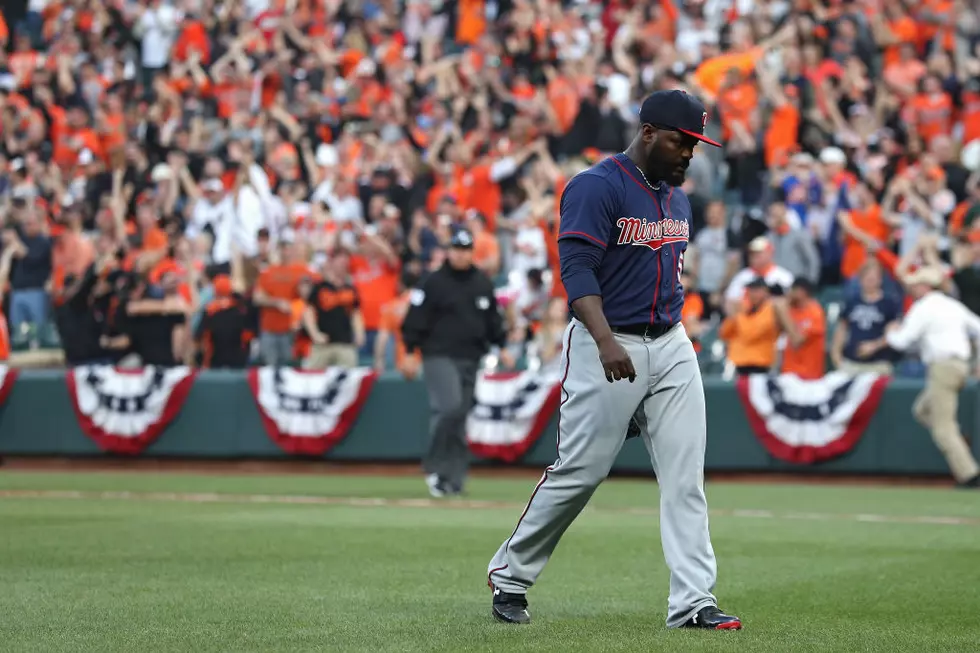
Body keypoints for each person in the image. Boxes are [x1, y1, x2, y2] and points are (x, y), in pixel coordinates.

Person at [487, 90, 741, 630]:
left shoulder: (678, 199)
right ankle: (510, 574)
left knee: (684, 477)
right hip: (607, 339)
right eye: (682, 140)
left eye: (696, 143)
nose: (690, 152)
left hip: (671, 344)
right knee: (580, 472)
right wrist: (605, 341)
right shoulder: (595, 186)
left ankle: (694, 602)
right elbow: (577, 270)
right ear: (649, 132)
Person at [401, 228, 506, 498]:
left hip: (471, 355)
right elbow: (414, 319)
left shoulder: (482, 283)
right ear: (449, 251)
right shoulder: (433, 282)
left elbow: (493, 320)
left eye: (465, 249)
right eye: (456, 249)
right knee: (449, 407)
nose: (460, 254)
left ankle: (453, 479)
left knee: (459, 416)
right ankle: (434, 466)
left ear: (472, 252)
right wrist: (411, 352)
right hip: (438, 354)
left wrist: (502, 345)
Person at [857, 267, 980, 488]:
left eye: (915, 284)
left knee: (943, 428)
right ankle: (957, 439)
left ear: (924, 286)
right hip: (960, 366)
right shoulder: (952, 304)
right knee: (922, 411)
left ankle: (970, 475)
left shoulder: (923, 308)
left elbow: (903, 340)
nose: (911, 288)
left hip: (943, 367)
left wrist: (890, 332)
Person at [830, 260, 901, 375]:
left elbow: (893, 333)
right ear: (861, 279)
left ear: (880, 280)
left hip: (878, 364)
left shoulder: (889, 303)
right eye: (867, 278)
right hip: (851, 363)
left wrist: (874, 345)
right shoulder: (852, 302)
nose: (870, 282)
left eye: (873, 278)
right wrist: (836, 355)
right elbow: (842, 329)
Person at [718, 278, 796, 375]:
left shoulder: (770, 309)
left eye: (756, 290)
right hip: (738, 363)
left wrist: (738, 316)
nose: (752, 293)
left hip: (760, 364)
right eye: (750, 290)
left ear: (766, 292)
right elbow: (724, 333)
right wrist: (733, 317)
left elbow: (751, 334)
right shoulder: (745, 309)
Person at [781, 279, 826, 380]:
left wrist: (783, 312)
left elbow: (797, 341)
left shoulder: (815, 312)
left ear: (801, 292)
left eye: (792, 290)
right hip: (789, 372)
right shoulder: (791, 309)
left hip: (808, 374)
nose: (790, 293)